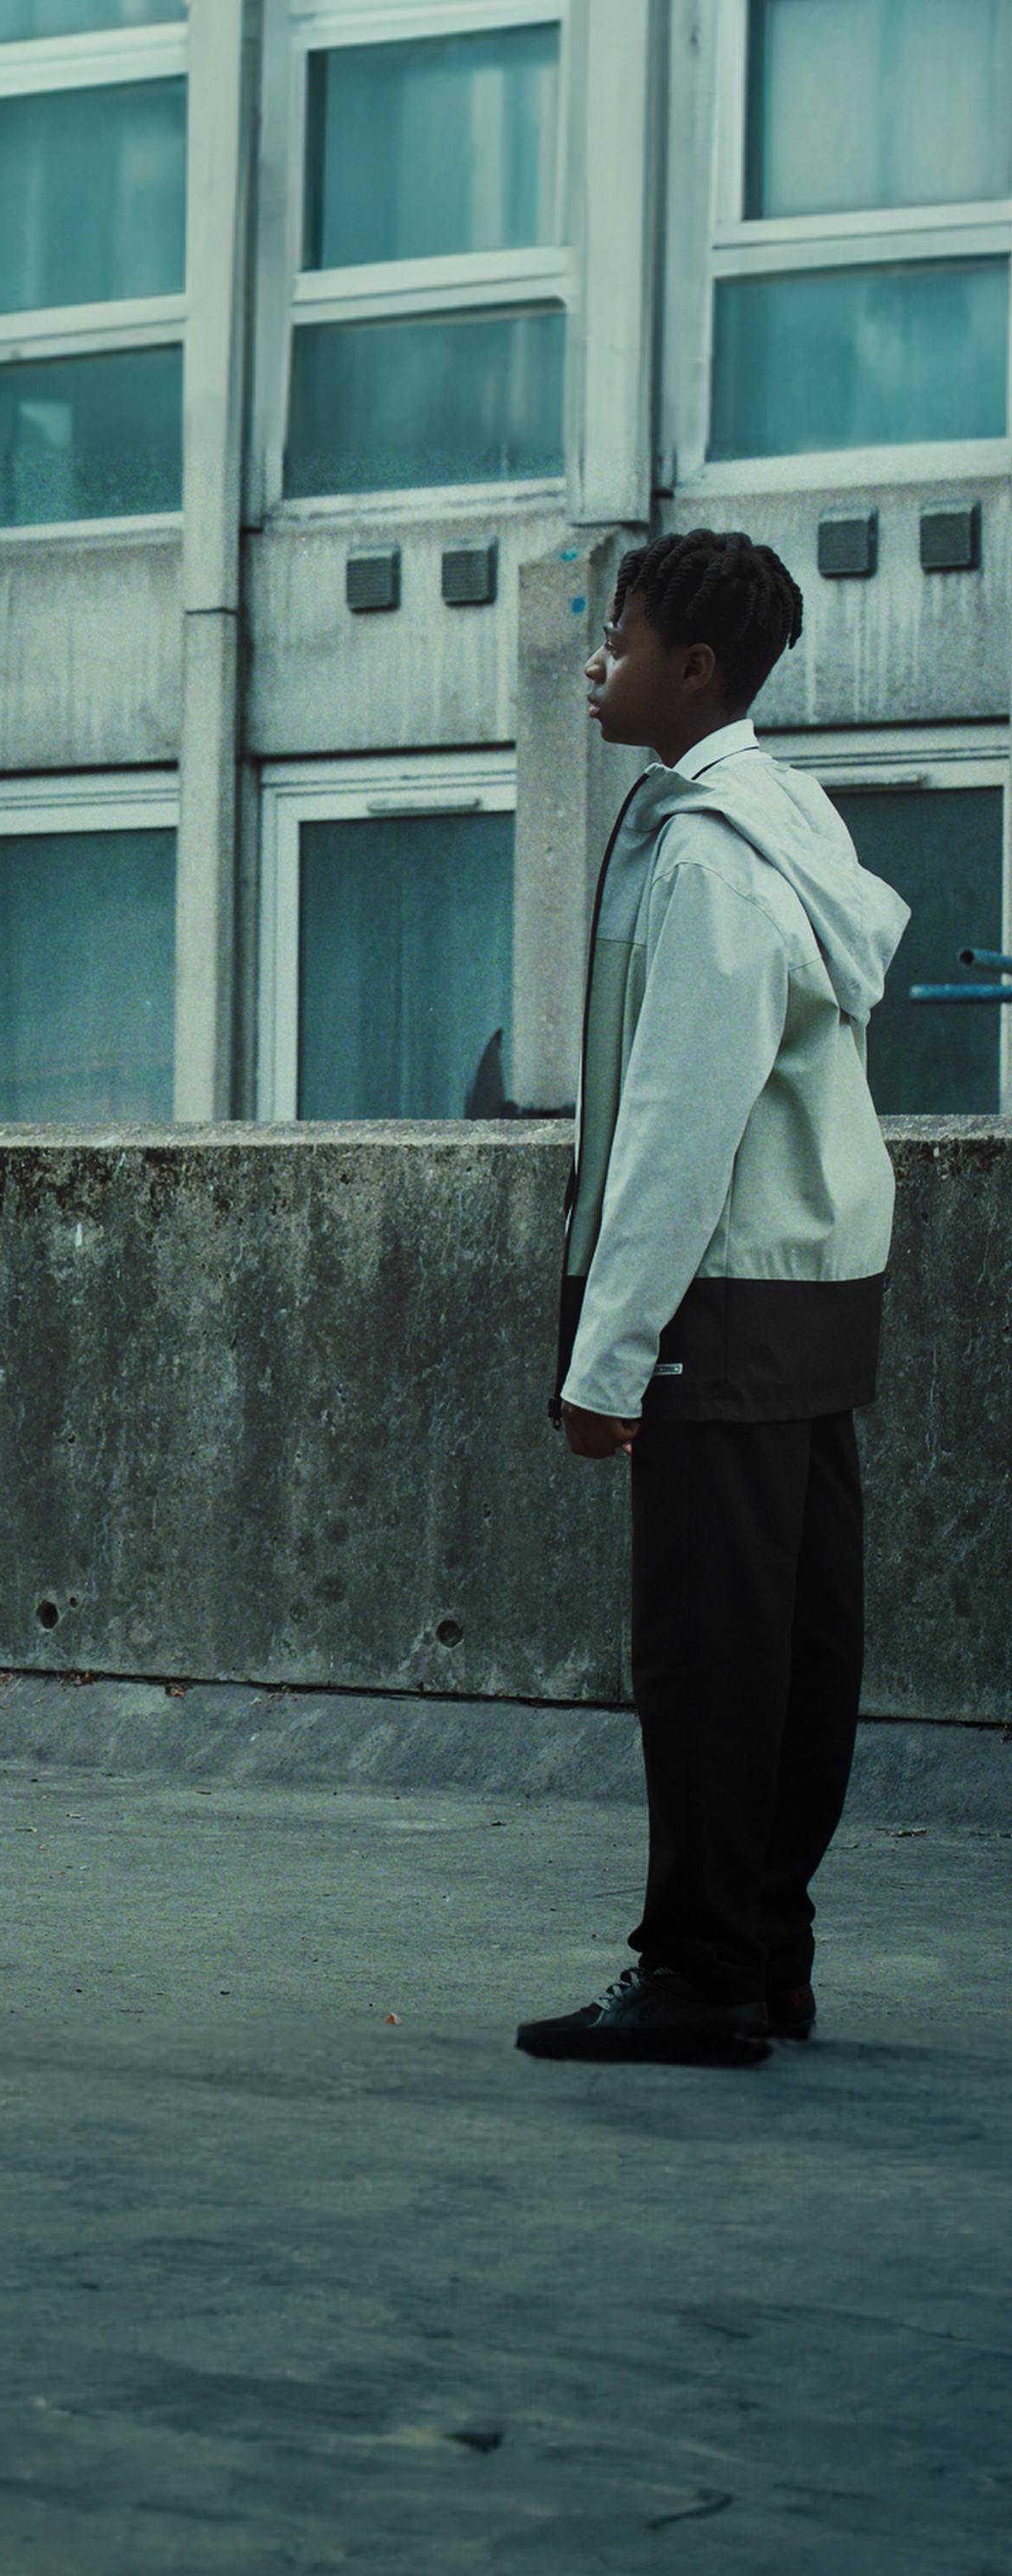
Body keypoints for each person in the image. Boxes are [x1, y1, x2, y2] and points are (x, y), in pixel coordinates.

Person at [517, 530, 908, 2069]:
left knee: (705, 1654)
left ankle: (700, 1970)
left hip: (720, 1300)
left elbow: (680, 1124)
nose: (593, 662)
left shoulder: (704, 852)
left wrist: (606, 1362)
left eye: (616, 638)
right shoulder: (784, 812)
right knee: (798, 1644)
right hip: (815, 1291)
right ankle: (765, 1953)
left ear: (694, 671)